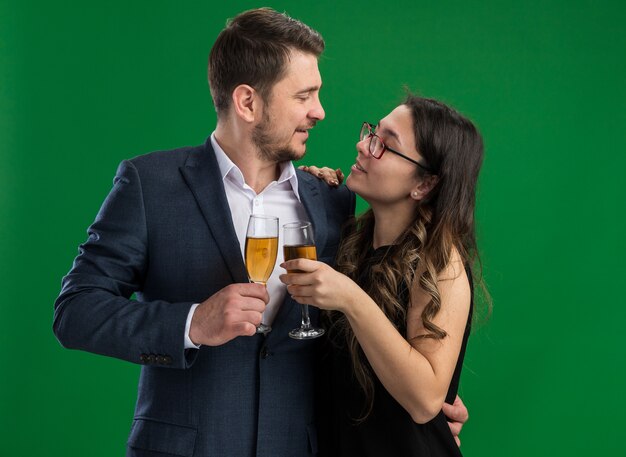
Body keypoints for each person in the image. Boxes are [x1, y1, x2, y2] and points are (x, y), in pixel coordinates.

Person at [281, 95, 485, 456]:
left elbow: (424, 401)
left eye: (384, 146)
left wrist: (350, 298)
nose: (363, 144)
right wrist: (312, 193)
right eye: (373, 133)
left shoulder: (441, 263)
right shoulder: (353, 245)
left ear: (424, 185)